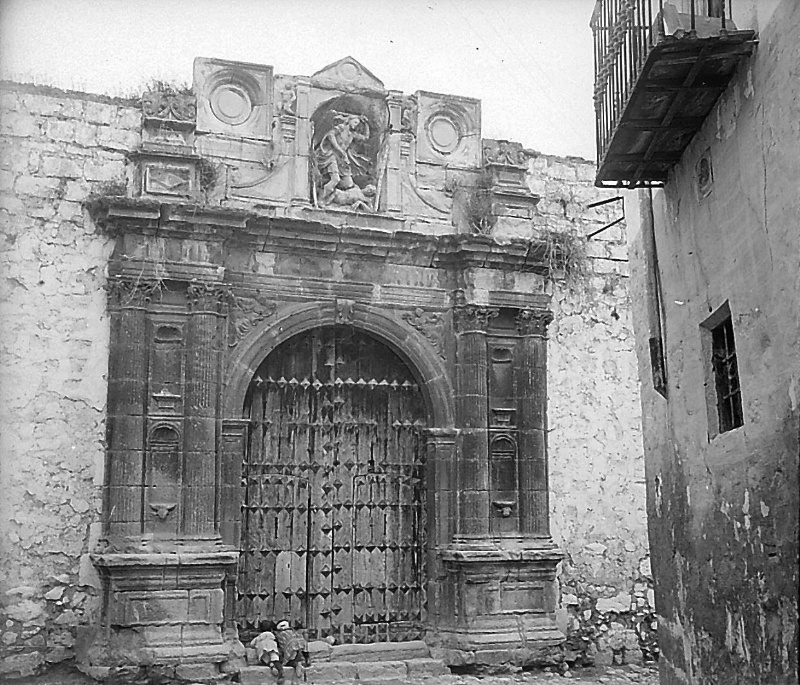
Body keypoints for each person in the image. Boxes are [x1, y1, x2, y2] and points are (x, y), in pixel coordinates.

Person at [314, 111, 370, 204]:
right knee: (335, 179)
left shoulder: (352, 135)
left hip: (341, 160)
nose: (356, 125)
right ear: (349, 121)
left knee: (348, 184)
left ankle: (335, 195)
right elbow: (330, 135)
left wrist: (366, 124)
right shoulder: (341, 128)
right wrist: (339, 150)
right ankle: (321, 199)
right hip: (331, 155)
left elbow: (365, 137)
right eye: (355, 122)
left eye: (358, 124)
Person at [274, 619, 310, 685]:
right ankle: (305, 660)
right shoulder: (294, 632)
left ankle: (296, 665)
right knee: (298, 654)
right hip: (300, 649)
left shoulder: (279, 635)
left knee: (288, 660)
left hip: (290, 651)